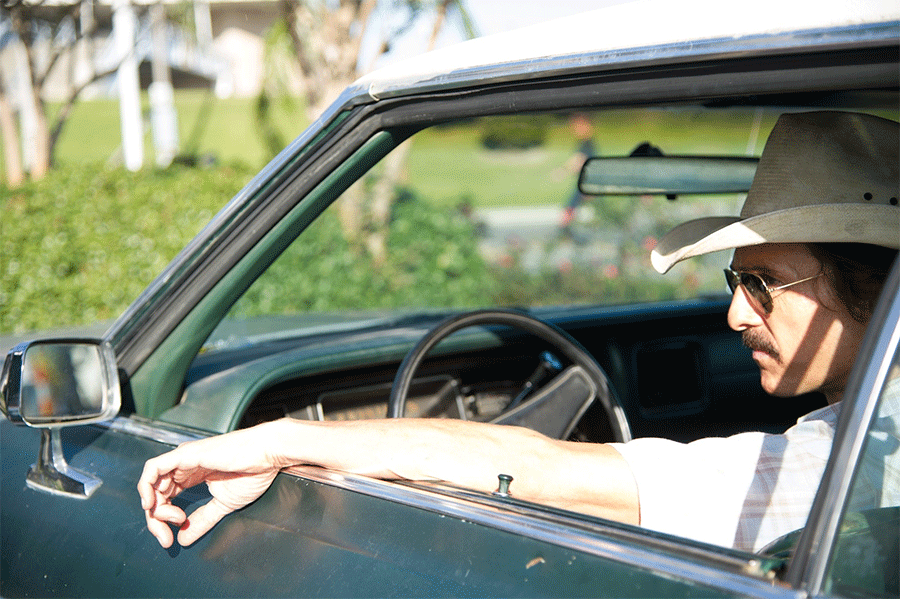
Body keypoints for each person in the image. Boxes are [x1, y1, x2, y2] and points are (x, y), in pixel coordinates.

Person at [139, 111, 899, 553]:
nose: (735, 313)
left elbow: (538, 470)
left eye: (764, 284)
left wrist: (280, 439)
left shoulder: (836, 471)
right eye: (734, 281)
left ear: (876, 284)